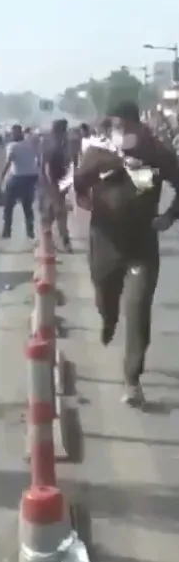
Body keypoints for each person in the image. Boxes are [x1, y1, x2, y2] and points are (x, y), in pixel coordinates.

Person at [74, 101, 179, 406]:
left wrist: (169, 216)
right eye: (114, 126)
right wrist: (89, 186)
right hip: (105, 243)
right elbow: (77, 185)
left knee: (138, 308)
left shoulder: (157, 152)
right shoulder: (98, 152)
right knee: (106, 299)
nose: (119, 132)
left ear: (138, 126)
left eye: (124, 126)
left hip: (141, 247)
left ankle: (132, 380)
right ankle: (107, 320)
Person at [0, 124, 39, 240]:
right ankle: (30, 231)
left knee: (8, 206)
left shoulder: (12, 146)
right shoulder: (30, 144)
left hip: (17, 177)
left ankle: (7, 231)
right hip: (31, 177)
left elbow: (9, 162)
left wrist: (2, 176)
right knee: (27, 206)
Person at [40, 119, 73, 252]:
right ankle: (61, 243)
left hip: (57, 184)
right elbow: (47, 168)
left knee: (53, 214)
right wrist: (54, 188)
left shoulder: (60, 144)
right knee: (57, 213)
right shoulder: (52, 145)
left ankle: (53, 242)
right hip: (52, 185)